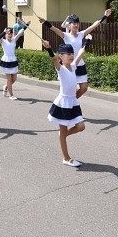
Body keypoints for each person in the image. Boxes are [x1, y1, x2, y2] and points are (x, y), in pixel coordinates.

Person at [39, 9, 112, 98]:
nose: (76, 25)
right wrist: (45, 22)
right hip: (69, 65)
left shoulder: (81, 34)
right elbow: (54, 29)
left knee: (84, 88)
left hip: (80, 64)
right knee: (69, 88)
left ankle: (73, 100)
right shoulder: (65, 36)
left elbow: (94, 25)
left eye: (77, 23)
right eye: (74, 23)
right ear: (69, 25)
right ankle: (68, 102)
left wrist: (104, 16)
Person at [42, 38, 90, 167]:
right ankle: (66, 158)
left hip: (73, 102)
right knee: (63, 130)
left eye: (71, 53)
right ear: (61, 56)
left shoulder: (73, 67)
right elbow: (54, 60)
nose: (71, 56)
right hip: (63, 103)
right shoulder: (61, 69)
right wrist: (48, 48)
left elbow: (81, 53)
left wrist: (86, 43)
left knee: (81, 127)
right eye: (67, 54)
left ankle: (63, 136)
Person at [0, 26, 25, 100]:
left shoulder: (14, 40)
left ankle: (6, 87)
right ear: (5, 34)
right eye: (8, 33)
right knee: (9, 79)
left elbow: (20, 33)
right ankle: (11, 95)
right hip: (6, 61)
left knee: (14, 79)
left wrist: (26, 25)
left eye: (11, 33)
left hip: (13, 60)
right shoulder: (3, 41)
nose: (10, 35)